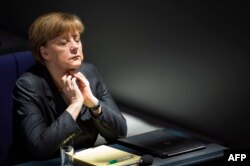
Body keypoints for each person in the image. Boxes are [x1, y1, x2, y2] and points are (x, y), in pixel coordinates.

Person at [8, 12, 127, 164]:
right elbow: (40, 149)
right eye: (64, 43)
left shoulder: (90, 73)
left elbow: (120, 132)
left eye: (77, 40)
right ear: (45, 53)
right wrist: (75, 105)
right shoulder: (28, 85)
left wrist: (93, 103)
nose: (75, 47)